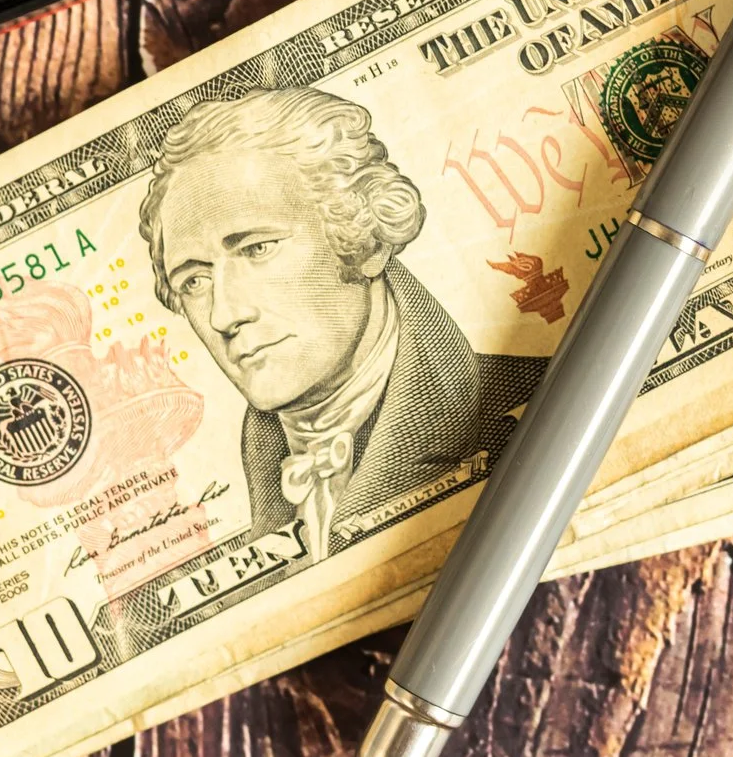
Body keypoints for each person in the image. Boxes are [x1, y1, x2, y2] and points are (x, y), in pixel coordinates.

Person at [140, 87, 546, 555]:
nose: (225, 314)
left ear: (367, 241)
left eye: (257, 249)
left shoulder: (544, 404)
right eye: (194, 281)